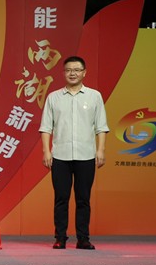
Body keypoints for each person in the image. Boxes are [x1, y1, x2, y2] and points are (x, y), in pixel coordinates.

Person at [40, 55, 108, 250]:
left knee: (83, 199)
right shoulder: (54, 97)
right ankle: (60, 238)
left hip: (86, 155)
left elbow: (101, 127)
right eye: (69, 70)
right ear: (63, 73)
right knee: (61, 198)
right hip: (60, 156)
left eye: (77, 70)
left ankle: (83, 238)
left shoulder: (94, 96)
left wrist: (100, 150)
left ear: (84, 73)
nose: (73, 73)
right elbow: (46, 127)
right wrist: (46, 151)